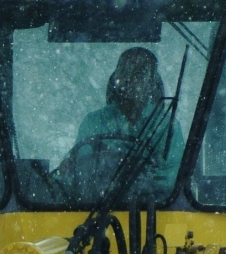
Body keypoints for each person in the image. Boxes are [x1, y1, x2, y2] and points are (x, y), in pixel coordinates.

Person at [68, 46, 184, 195]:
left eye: (140, 73)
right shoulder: (94, 122)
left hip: (152, 213)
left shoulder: (166, 127)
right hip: (94, 210)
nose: (131, 80)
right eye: (125, 72)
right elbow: (81, 171)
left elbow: (170, 181)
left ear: (151, 83)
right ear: (116, 80)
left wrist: (138, 188)